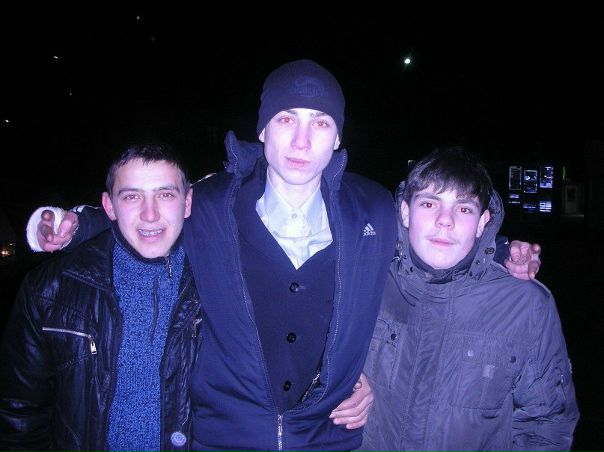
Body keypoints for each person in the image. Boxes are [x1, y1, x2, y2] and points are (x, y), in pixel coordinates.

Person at [26, 60, 540, 451]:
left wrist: (500, 250)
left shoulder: (373, 209)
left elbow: (432, 236)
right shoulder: (211, 203)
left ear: (337, 137)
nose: (300, 140)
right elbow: (148, 215)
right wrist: (68, 224)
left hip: (328, 438)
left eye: (320, 123)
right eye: (286, 118)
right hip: (221, 437)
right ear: (262, 129)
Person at [358, 147, 579, 452]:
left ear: (482, 222)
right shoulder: (365, 280)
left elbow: (548, 423)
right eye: (429, 203)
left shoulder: (525, 306)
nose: (444, 221)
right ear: (406, 212)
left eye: (463, 209)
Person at [0, 145, 202, 451]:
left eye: (165, 194)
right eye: (132, 196)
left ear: (187, 203)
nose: (150, 214)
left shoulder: (217, 285)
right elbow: (18, 413)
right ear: (109, 206)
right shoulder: (51, 290)